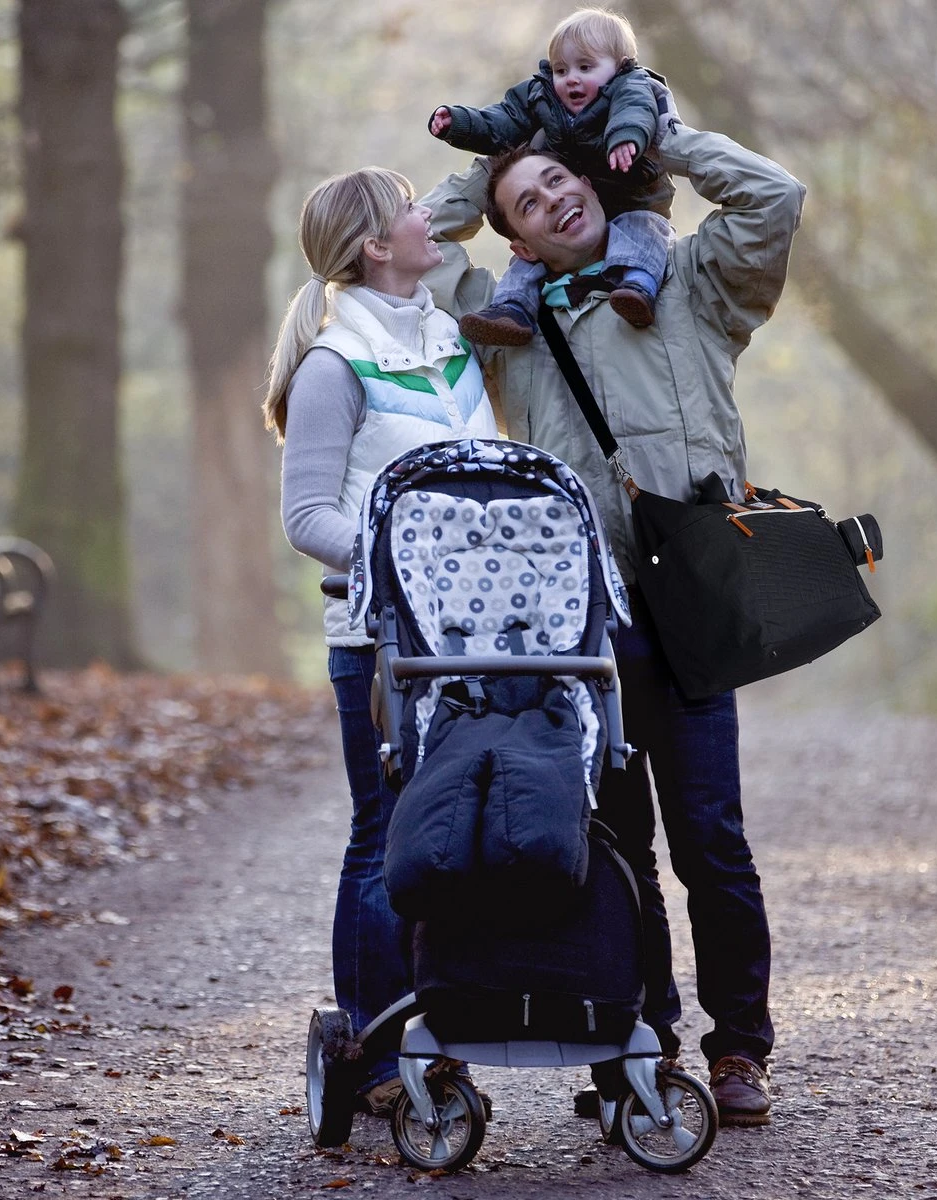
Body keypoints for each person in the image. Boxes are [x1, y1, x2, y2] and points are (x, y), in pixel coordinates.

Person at [418, 127, 806, 1126]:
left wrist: (659, 143)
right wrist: (493, 156)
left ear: (590, 183)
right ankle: (636, 1043)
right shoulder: (504, 324)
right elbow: (420, 239)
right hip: (585, 625)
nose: (552, 200)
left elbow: (776, 198)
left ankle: (739, 1051)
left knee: (711, 838)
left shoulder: (691, 283)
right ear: (520, 243)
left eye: (559, 180)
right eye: (528, 205)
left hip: (692, 610)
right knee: (616, 843)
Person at [262, 167, 497, 1117]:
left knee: (456, 839)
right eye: (408, 208)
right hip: (378, 642)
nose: (425, 218)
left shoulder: (443, 339)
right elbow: (308, 516)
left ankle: (437, 1039)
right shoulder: (332, 365)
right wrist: (415, 556)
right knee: (383, 837)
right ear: (372, 244)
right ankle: (372, 1051)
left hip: (473, 637)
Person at [428, 6, 676, 346]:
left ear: (619, 66)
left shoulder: (631, 86)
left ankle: (638, 287)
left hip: (634, 196)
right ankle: (511, 309)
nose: (571, 78)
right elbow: (503, 121)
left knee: (646, 232)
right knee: (527, 261)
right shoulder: (542, 94)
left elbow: (635, 112)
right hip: (583, 200)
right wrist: (459, 123)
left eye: (585, 67)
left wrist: (626, 139)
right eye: (561, 69)